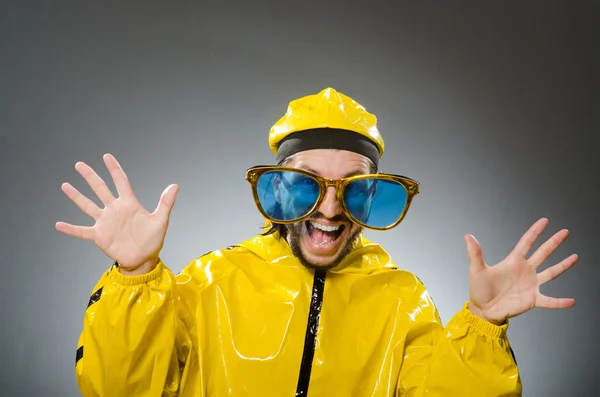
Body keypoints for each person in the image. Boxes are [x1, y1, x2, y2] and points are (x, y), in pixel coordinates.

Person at [57, 87, 577, 397]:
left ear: (370, 199)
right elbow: (119, 390)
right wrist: (134, 277)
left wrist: (485, 326)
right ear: (278, 188)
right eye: (307, 183)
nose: (329, 210)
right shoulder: (212, 281)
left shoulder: (402, 299)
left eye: (351, 189)